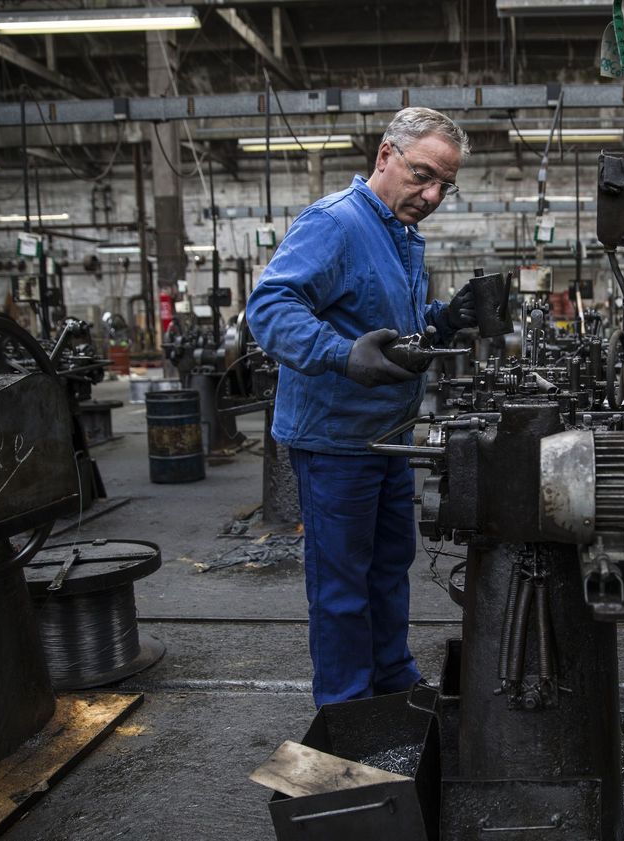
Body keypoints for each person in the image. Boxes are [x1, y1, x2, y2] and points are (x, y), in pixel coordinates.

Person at [246, 107, 477, 706]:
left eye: (443, 187)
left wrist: (443, 318)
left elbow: (392, 325)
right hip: (335, 443)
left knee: (387, 568)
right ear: (385, 156)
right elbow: (269, 309)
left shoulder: (402, 235)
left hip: (388, 436)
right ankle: (347, 710)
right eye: (422, 175)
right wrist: (343, 355)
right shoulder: (337, 224)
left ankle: (392, 677)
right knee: (342, 587)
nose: (429, 195)